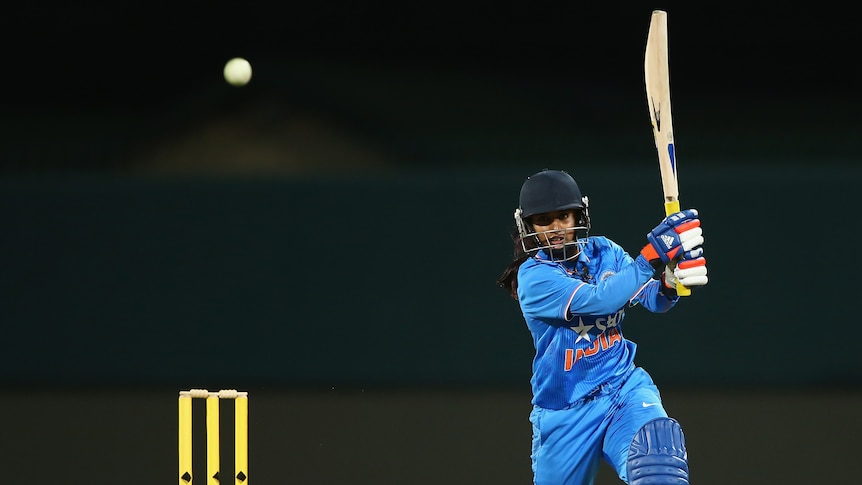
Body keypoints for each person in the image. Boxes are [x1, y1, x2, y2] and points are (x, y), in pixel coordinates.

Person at [496, 169, 708, 485]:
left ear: (579, 214)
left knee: (659, 462)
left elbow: (650, 298)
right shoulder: (534, 277)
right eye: (544, 219)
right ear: (527, 225)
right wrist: (652, 255)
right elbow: (601, 300)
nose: (556, 228)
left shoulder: (603, 251)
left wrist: (670, 281)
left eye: (564, 216)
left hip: (621, 388)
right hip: (566, 410)